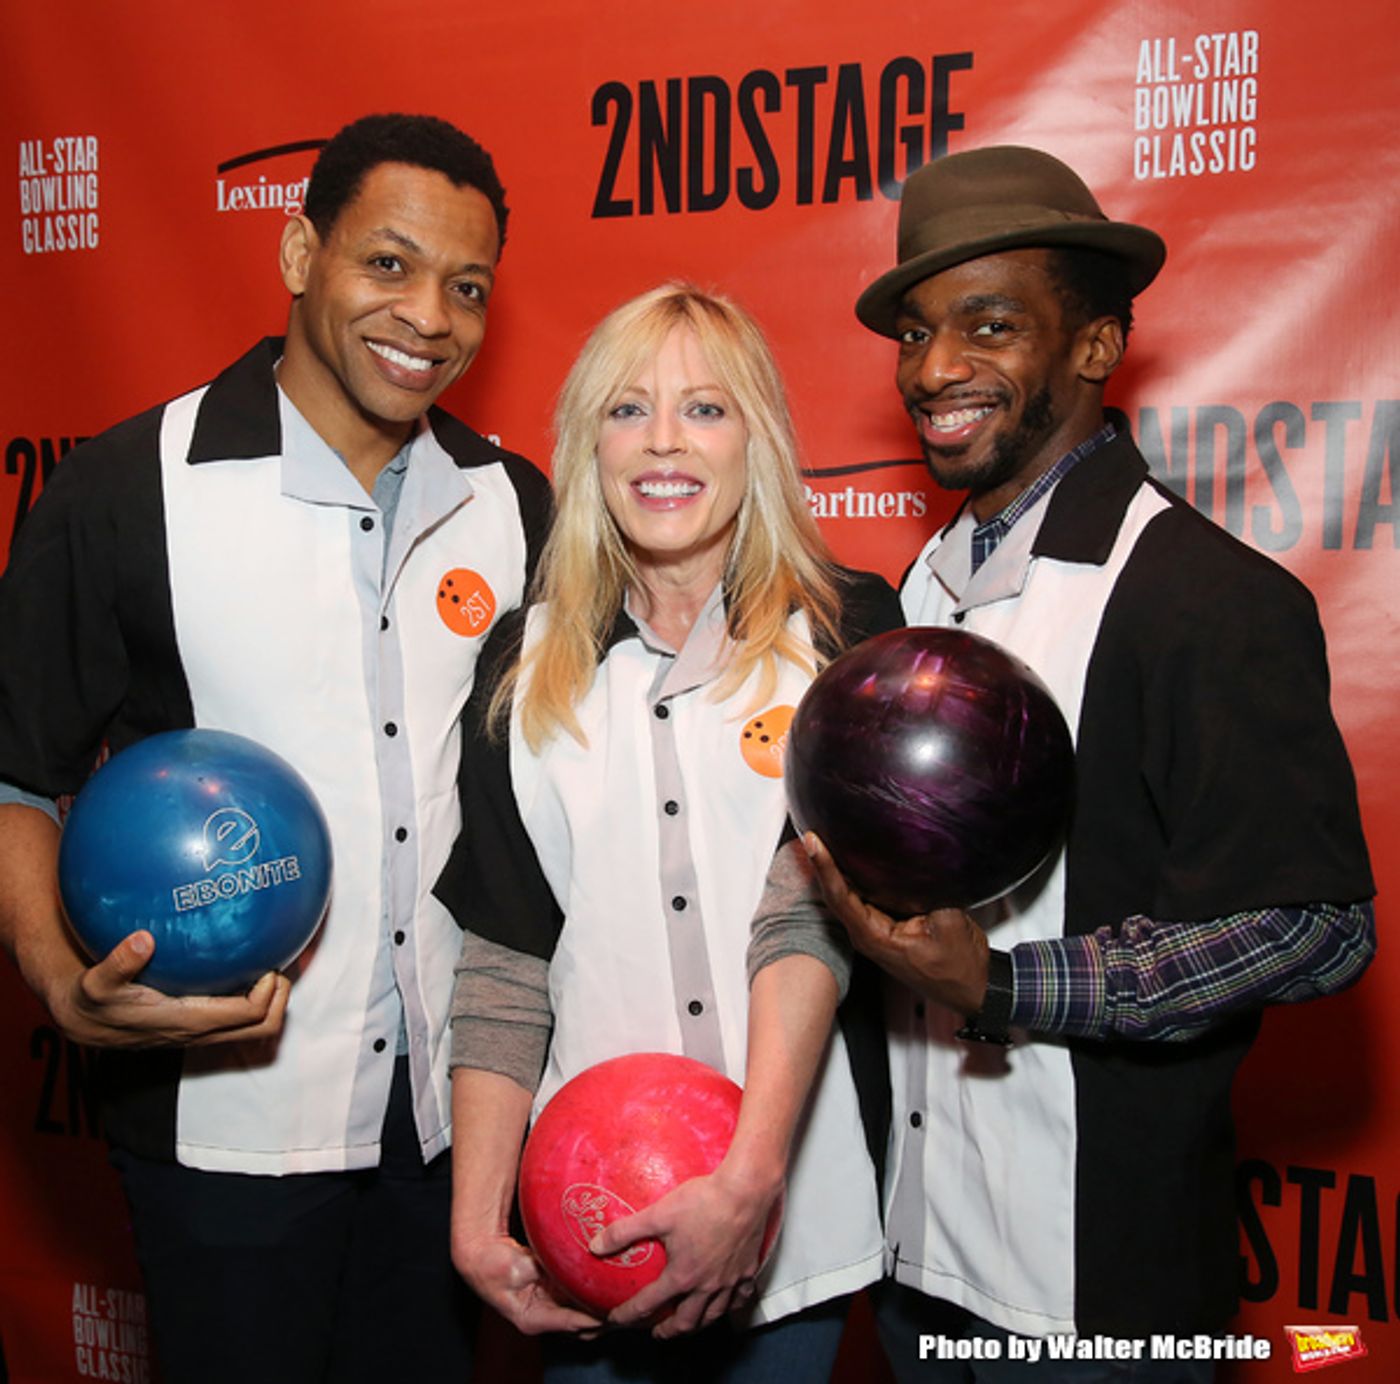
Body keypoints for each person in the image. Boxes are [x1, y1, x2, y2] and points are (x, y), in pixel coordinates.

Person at [804, 146, 1376, 1380]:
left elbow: (1314, 924)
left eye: (989, 324)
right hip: (912, 1269)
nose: (936, 369)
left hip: (1094, 1296)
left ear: (1095, 346)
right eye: (914, 333)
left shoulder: (1199, 598)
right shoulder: (907, 602)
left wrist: (1014, 986)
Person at [0, 113, 551, 1383]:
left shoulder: (513, 505)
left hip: (448, 1132)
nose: (428, 316)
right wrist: (56, 982)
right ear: (301, 252)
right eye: (389, 265)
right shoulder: (132, 483)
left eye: (466, 287)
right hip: (225, 1127)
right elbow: (19, 767)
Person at [436, 283, 901, 1381]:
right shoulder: (518, 664)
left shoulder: (845, 630)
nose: (660, 441)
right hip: (588, 1226)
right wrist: (473, 1222)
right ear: (586, 443)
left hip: (793, 1230)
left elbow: (812, 913)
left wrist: (748, 1181)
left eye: (704, 408)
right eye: (625, 409)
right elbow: (504, 958)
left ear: (759, 438)